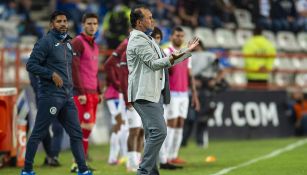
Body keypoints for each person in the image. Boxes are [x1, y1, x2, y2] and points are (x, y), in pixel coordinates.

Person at [126, 6, 199, 175]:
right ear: (138, 22)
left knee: (151, 134)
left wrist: (185, 52)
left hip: (154, 93)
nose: (152, 20)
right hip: (144, 93)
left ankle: (152, 172)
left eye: (152, 17)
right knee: (159, 132)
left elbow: (166, 61)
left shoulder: (148, 39)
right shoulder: (138, 40)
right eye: (149, 18)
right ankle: (143, 172)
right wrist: (175, 55)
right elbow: (154, 63)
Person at [22, 11, 92, 175]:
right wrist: (51, 75)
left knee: (76, 134)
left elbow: (69, 69)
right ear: (51, 24)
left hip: (67, 97)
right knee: (38, 133)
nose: (63, 24)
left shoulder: (68, 43)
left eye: (65, 21)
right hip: (50, 96)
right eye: (59, 21)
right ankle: (27, 170)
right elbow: (30, 65)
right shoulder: (45, 42)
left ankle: (83, 170)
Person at [163, 26, 200, 165]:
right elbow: (167, 70)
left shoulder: (186, 53)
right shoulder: (167, 51)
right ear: (171, 37)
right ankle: (165, 156)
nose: (179, 38)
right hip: (172, 93)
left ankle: (174, 155)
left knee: (180, 124)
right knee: (171, 124)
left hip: (184, 93)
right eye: (176, 35)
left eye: (181, 36)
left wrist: (195, 95)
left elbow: (190, 75)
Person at [70, 13, 102, 172]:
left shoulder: (95, 45)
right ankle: (78, 163)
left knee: (87, 128)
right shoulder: (78, 42)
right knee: (84, 127)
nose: (92, 26)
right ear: (83, 25)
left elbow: (94, 71)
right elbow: (74, 67)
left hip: (93, 93)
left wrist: (99, 91)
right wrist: (80, 92)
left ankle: (80, 162)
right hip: (82, 93)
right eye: (89, 23)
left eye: (95, 23)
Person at [28, 73, 64, 167]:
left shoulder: (34, 61)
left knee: (46, 127)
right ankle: (53, 156)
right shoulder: (54, 60)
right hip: (53, 96)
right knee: (56, 127)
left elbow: (33, 81)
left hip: (43, 97)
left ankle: (51, 156)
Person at [119, 41, 144, 172]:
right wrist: (126, 97)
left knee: (141, 131)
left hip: (144, 98)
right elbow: (123, 78)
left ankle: (138, 161)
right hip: (132, 98)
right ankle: (130, 163)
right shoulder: (125, 55)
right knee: (134, 131)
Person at [104, 38, 128, 165]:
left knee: (122, 125)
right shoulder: (113, 61)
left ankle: (122, 155)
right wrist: (120, 85)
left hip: (119, 95)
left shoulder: (124, 60)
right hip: (114, 95)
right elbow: (111, 79)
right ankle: (112, 158)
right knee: (118, 125)